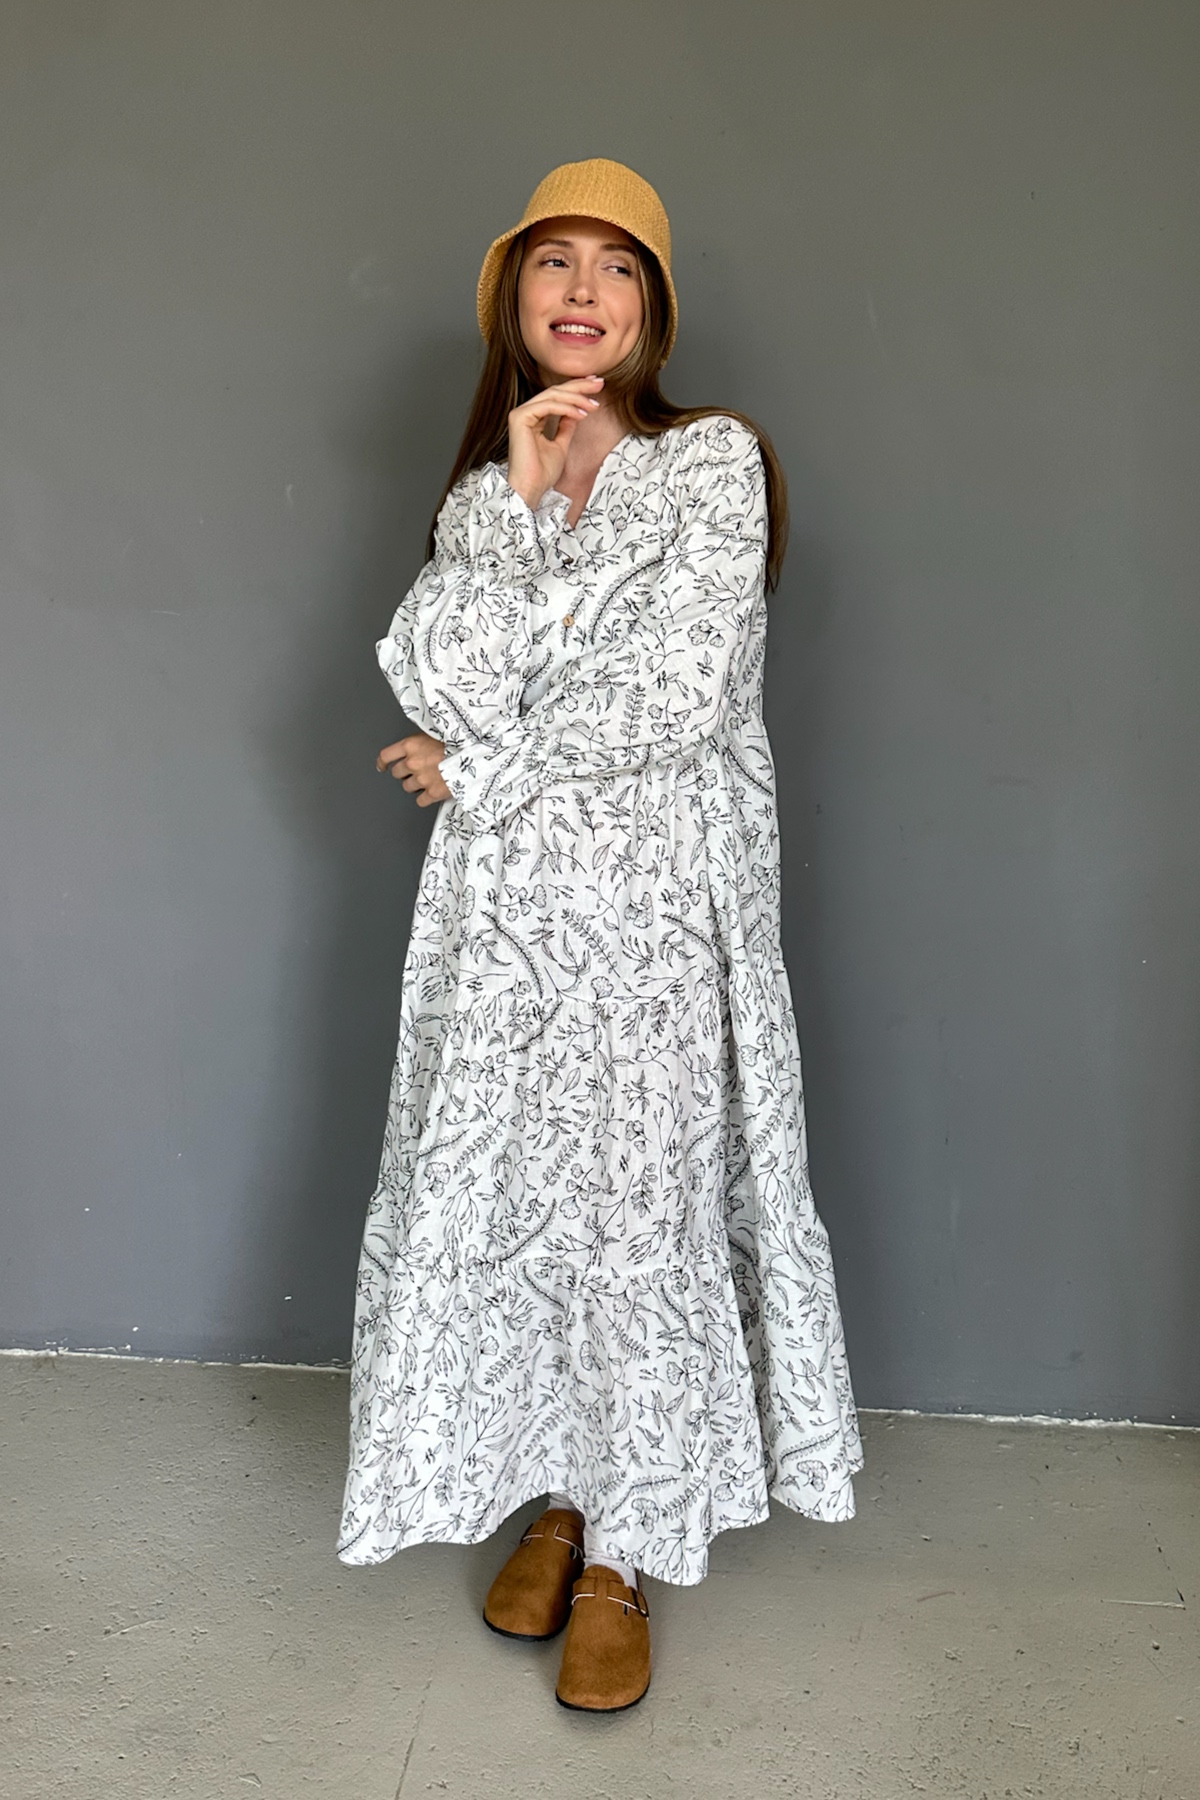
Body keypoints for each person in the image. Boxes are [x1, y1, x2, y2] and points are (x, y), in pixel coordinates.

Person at [337, 157, 863, 1713]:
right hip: (507, 925)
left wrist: (486, 769)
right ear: (513, 297)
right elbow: (444, 682)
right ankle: (561, 1499)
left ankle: (629, 1547)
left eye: (616, 265)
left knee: (643, 1214)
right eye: (554, 260)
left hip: (657, 916)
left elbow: (675, 693)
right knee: (528, 1206)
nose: (582, 290)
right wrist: (513, 500)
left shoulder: (712, 465)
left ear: (654, 307)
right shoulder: (481, 496)